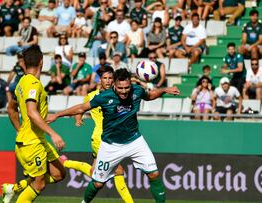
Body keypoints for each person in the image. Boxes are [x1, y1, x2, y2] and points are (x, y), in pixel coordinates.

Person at [47, 68, 180, 203]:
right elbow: (81, 108)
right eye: (120, 88)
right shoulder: (104, 97)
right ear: (114, 85)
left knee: (154, 174)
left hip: (135, 141)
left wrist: (163, 90)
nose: (124, 91)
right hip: (110, 145)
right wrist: (57, 115)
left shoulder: (137, 90)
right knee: (98, 183)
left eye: (127, 87)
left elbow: (149, 95)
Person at [1, 45, 66, 203]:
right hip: (32, 143)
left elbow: (11, 109)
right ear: (41, 62)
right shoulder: (32, 84)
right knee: (39, 184)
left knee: (59, 174)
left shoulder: (22, 81)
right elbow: (31, 111)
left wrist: (20, 129)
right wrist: (54, 134)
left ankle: (13, 189)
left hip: (37, 139)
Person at [60, 65, 134, 203]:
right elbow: (81, 109)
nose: (107, 81)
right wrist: (78, 119)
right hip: (100, 139)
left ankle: (65, 162)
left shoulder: (118, 94)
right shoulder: (92, 96)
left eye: (110, 78)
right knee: (118, 169)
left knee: (94, 174)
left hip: (113, 138)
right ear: (100, 79)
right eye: (105, 78)